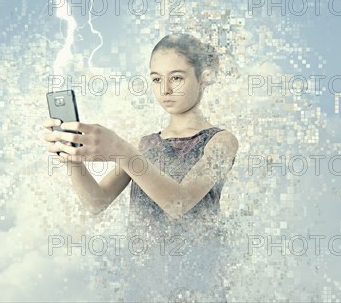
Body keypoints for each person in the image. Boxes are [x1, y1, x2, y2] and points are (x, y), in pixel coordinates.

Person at [43, 33, 238, 302]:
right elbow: (96, 202)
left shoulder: (221, 142)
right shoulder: (145, 145)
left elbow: (179, 203)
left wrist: (121, 150)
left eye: (177, 78)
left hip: (198, 285)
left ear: (203, 77)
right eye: (156, 79)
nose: (165, 89)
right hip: (144, 285)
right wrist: (73, 160)